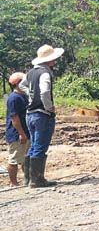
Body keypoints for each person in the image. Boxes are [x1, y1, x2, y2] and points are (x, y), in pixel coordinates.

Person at [23, 44, 64, 187]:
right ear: (49, 60)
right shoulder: (45, 73)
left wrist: (31, 96)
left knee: (33, 145)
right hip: (42, 114)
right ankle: (37, 180)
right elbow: (45, 92)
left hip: (30, 114)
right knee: (40, 146)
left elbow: (22, 85)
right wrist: (49, 107)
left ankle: (28, 178)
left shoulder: (30, 73)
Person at [5, 72, 30, 186]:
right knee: (14, 159)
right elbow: (14, 118)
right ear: (17, 84)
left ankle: (27, 179)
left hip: (25, 132)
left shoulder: (23, 96)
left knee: (26, 158)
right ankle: (13, 182)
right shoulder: (14, 98)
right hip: (17, 134)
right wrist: (21, 134)